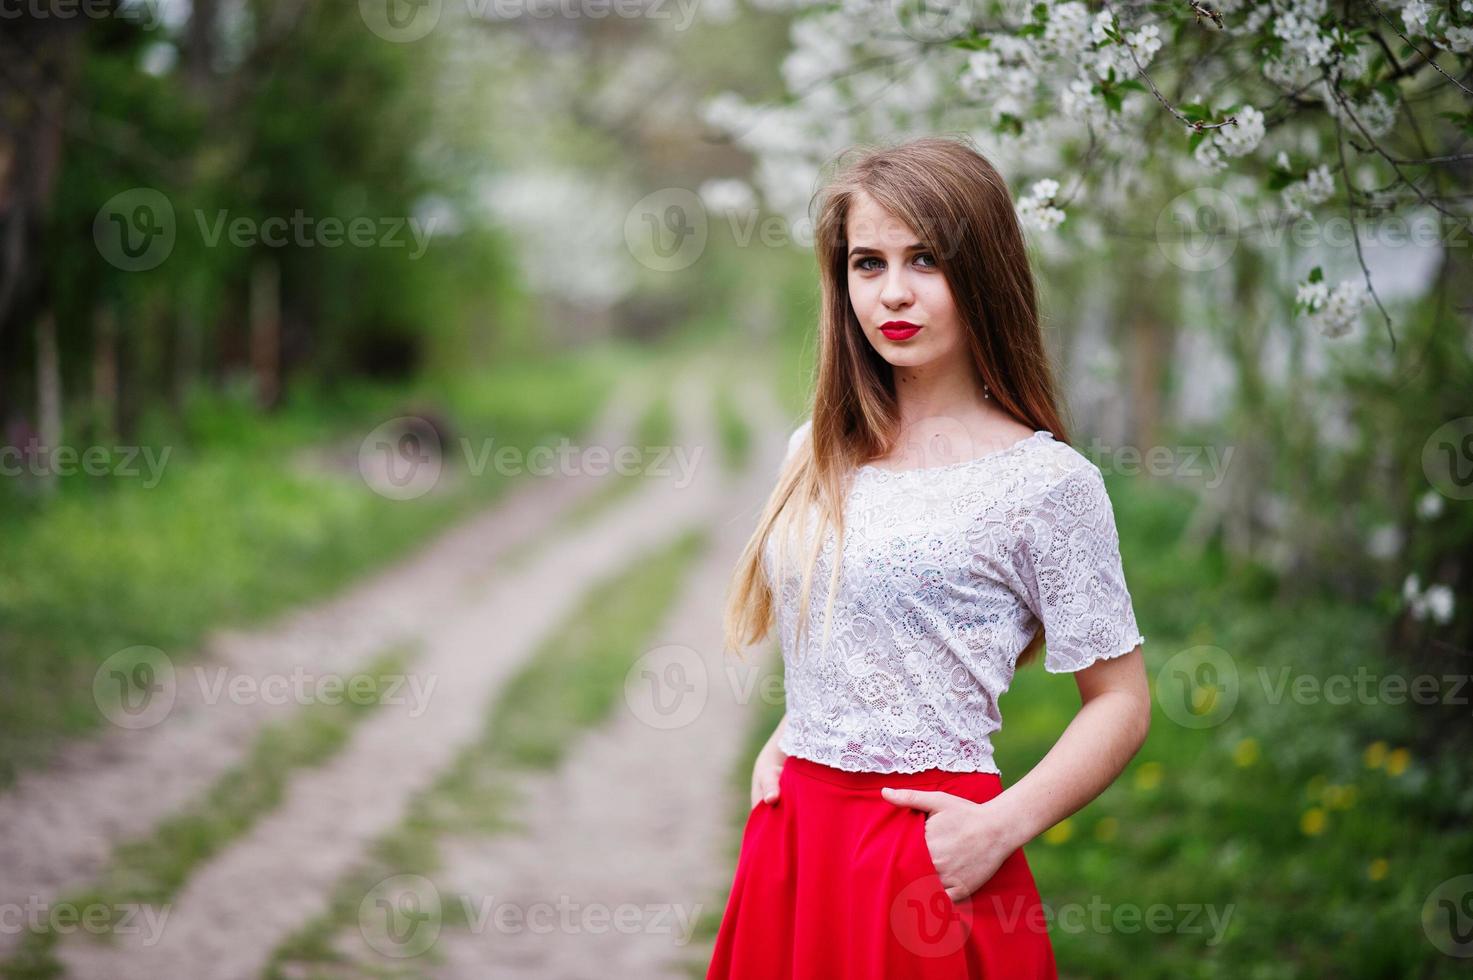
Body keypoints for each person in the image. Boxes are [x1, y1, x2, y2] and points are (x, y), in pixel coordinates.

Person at [706, 135, 1151, 979]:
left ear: (982, 273)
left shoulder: (1045, 483)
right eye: (867, 263)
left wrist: (1000, 825)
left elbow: (1120, 701)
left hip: (931, 854)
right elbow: (858, 637)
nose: (893, 294)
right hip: (795, 838)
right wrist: (790, 733)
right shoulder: (815, 450)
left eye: (927, 260)